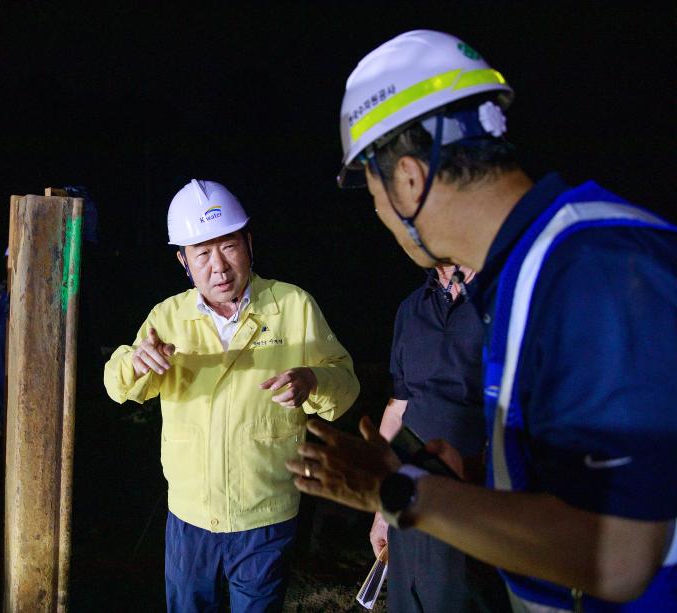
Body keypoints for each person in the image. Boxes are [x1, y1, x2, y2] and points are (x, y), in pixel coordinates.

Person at [285, 30, 677, 611]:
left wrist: (396, 489)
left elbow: (618, 555)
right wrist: (469, 481)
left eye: (371, 191)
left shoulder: (591, 268)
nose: (377, 215)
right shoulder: (533, 272)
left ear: (409, 180)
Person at [103, 179, 359, 612]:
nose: (218, 267)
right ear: (183, 261)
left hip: (266, 510)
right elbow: (117, 385)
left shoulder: (293, 306)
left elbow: (345, 384)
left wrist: (313, 381)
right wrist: (135, 362)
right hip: (190, 514)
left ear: (249, 243)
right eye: (202, 254)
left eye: (228, 247)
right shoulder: (169, 316)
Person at [371, 264, 510, 613]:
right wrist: (379, 509)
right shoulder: (412, 307)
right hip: (408, 493)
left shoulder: (504, 301)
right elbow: (398, 406)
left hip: (470, 501)